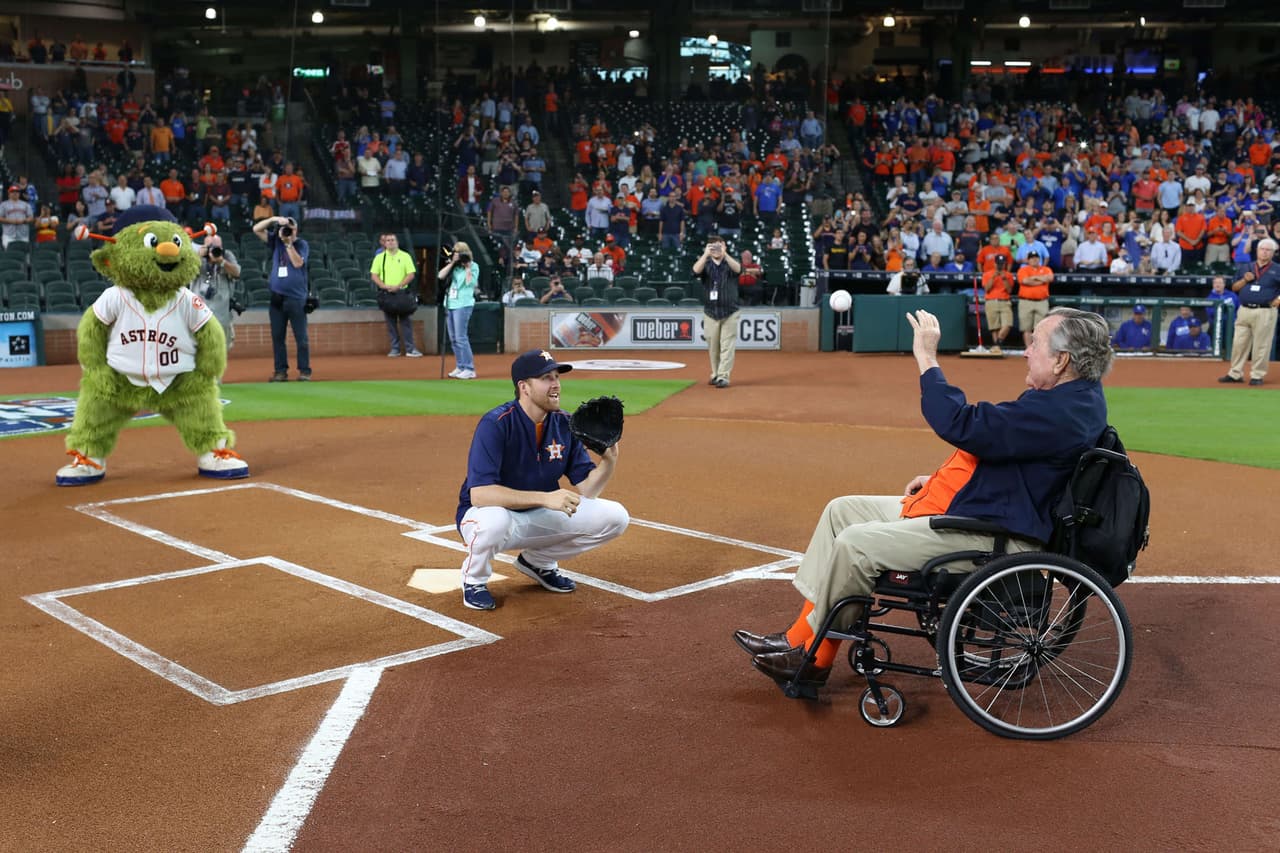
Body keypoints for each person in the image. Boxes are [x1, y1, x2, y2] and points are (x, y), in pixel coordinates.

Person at [733, 307, 1112, 693]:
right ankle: (803, 639)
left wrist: (927, 358)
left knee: (855, 545)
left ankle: (810, 653)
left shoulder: (1058, 410)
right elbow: (1014, 455)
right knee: (841, 511)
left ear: (1063, 360)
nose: (1027, 351)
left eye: (1035, 343)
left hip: (995, 532)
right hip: (988, 508)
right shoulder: (1074, 401)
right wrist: (939, 480)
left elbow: (961, 423)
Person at [454, 349, 629, 610]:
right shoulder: (496, 423)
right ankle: (474, 580)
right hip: (487, 515)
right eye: (547, 378)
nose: (556, 384)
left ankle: (537, 562)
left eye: (557, 377)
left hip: (538, 515)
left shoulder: (565, 424)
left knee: (615, 517)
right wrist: (545, 498)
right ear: (524, 387)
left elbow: (588, 490)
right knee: (495, 522)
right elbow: (480, 494)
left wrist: (609, 461)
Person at [254, 214, 311, 382]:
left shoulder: (301, 244)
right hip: (277, 298)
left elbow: (298, 263)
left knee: (301, 337)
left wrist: (288, 244)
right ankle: (280, 371)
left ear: (296, 230)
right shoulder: (276, 241)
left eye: (291, 228)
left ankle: (305, 371)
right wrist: (273, 220)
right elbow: (256, 229)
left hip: (296, 298)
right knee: (278, 337)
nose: (288, 231)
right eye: (286, 228)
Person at [1219, 237, 1280, 386]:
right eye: (1262, 249)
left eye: (1268, 250)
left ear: (1273, 253)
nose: (1264, 252)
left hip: (1265, 310)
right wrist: (1245, 280)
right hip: (1244, 309)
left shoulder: (1277, 269)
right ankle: (1235, 373)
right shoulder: (1246, 267)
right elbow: (1234, 287)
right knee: (1239, 343)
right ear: (1257, 250)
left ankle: (1257, 375)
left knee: (1261, 344)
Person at [693, 235, 742, 389]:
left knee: (727, 344)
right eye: (712, 246)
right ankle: (716, 374)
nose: (716, 249)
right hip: (711, 312)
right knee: (713, 345)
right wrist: (706, 254)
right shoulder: (706, 264)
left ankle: (723, 376)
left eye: (719, 245)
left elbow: (739, 269)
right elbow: (695, 271)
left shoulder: (729, 263)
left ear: (724, 246)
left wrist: (725, 254)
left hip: (730, 311)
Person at [371, 232, 422, 358]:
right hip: (387, 293)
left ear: (397, 242)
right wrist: (383, 286)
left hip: (402, 293)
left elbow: (411, 274)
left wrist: (398, 286)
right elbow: (374, 275)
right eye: (388, 240)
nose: (390, 242)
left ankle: (410, 349)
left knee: (406, 322)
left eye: (393, 240)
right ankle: (395, 349)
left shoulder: (405, 256)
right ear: (384, 243)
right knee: (390, 323)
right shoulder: (379, 258)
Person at [193, 233, 242, 355]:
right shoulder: (196, 258)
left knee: (220, 351)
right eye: (210, 246)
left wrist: (221, 261)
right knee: (198, 350)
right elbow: (185, 272)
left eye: (216, 246)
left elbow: (237, 273)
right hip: (199, 314)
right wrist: (199, 256)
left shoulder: (226, 255)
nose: (213, 249)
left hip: (221, 314)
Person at [438, 241, 478, 379]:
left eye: (459, 253)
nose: (456, 255)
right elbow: (441, 276)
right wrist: (452, 263)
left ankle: (469, 368)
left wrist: (467, 268)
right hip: (450, 303)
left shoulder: (473, 266)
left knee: (461, 337)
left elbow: (470, 283)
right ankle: (460, 365)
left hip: (463, 303)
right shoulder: (454, 267)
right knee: (453, 338)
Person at [981, 253, 1015, 353]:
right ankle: (997, 349)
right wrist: (993, 277)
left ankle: (996, 344)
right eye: (998, 263)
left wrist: (1004, 278)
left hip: (1004, 301)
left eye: (1002, 263)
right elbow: (987, 289)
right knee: (994, 327)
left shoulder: (1008, 275)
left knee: (1007, 324)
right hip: (991, 301)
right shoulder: (987, 274)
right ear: (995, 263)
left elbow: (1009, 290)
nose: (1000, 265)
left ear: (1005, 264)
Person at [1015, 249, 1054, 334]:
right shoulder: (1023, 270)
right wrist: (1041, 280)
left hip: (1042, 302)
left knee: (1041, 329)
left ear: (1039, 259)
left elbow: (1050, 278)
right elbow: (1025, 281)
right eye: (1032, 258)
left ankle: (1038, 347)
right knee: (1026, 329)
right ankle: (1029, 347)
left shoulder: (1046, 269)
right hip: (1026, 302)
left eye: (1036, 258)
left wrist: (1033, 277)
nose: (1034, 259)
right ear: (1028, 260)